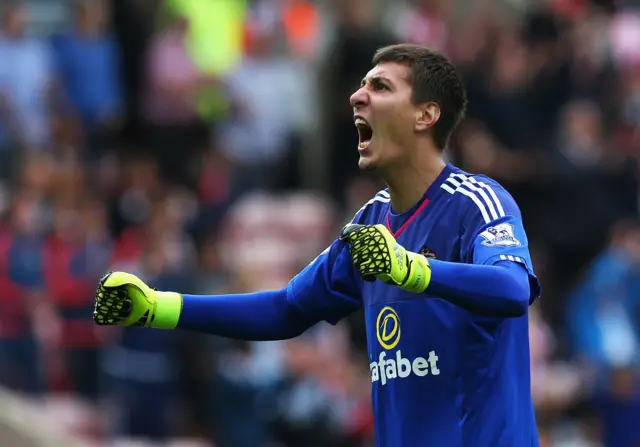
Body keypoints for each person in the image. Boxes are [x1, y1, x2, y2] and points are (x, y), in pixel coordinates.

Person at [93, 44, 541, 446]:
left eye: (381, 87)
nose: (357, 97)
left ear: (426, 115)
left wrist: (412, 270)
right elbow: (286, 309)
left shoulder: (476, 203)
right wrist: (159, 307)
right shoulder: (369, 224)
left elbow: (512, 288)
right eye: (361, 85)